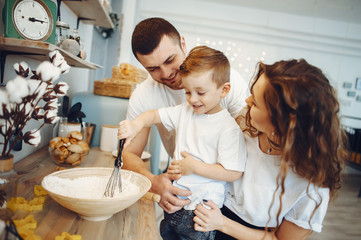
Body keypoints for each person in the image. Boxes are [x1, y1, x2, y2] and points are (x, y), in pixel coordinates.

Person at [191, 59, 348, 240]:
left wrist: (222, 224)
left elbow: (280, 239)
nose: (247, 101)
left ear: (281, 123)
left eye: (256, 103)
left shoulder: (313, 187)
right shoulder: (244, 123)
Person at [119, 46, 247, 240]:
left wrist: (194, 167)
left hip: (201, 211)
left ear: (224, 90)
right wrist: (135, 125)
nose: (193, 99)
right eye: (187, 92)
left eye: (200, 92)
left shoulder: (229, 128)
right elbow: (153, 115)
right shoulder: (185, 111)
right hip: (175, 203)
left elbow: (233, 172)